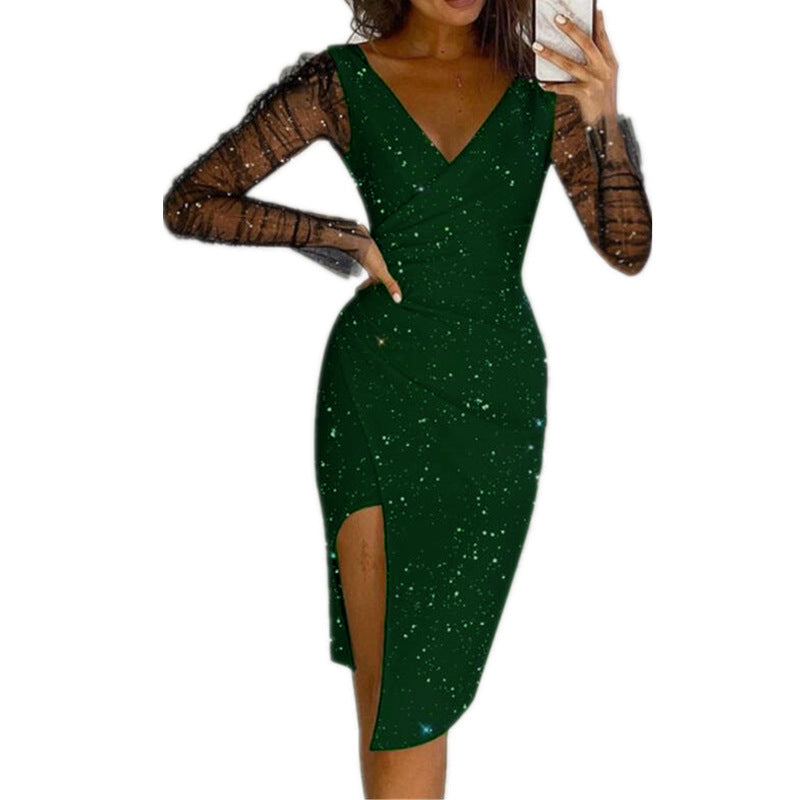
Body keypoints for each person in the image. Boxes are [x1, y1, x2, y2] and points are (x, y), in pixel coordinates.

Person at [162, 1, 651, 796]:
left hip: (496, 405)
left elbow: (626, 247)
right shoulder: (342, 81)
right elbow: (194, 199)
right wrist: (340, 239)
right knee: (398, 696)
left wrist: (603, 118)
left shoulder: (542, 92)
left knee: (427, 679)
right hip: (379, 391)